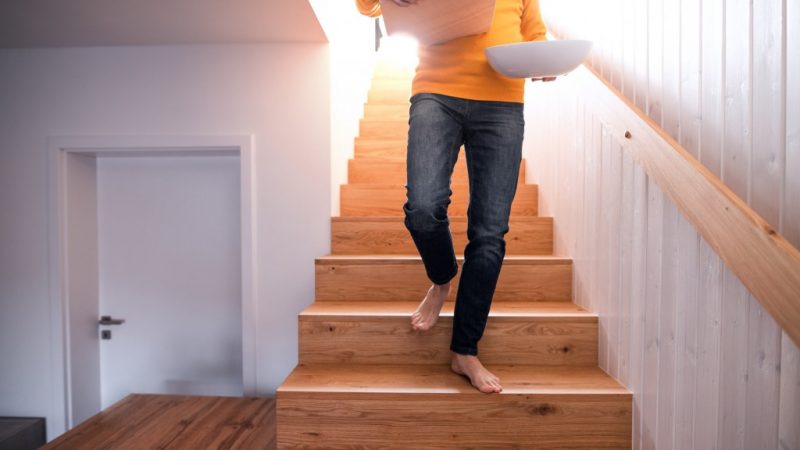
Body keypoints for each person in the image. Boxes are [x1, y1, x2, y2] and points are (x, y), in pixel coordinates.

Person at [355, 0, 554, 394]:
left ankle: (465, 350)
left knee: (489, 234)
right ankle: (442, 279)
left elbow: (536, 37)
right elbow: (368, 7)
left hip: (503, 106)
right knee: (424, 208)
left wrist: (544, 62)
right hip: (436, 92)